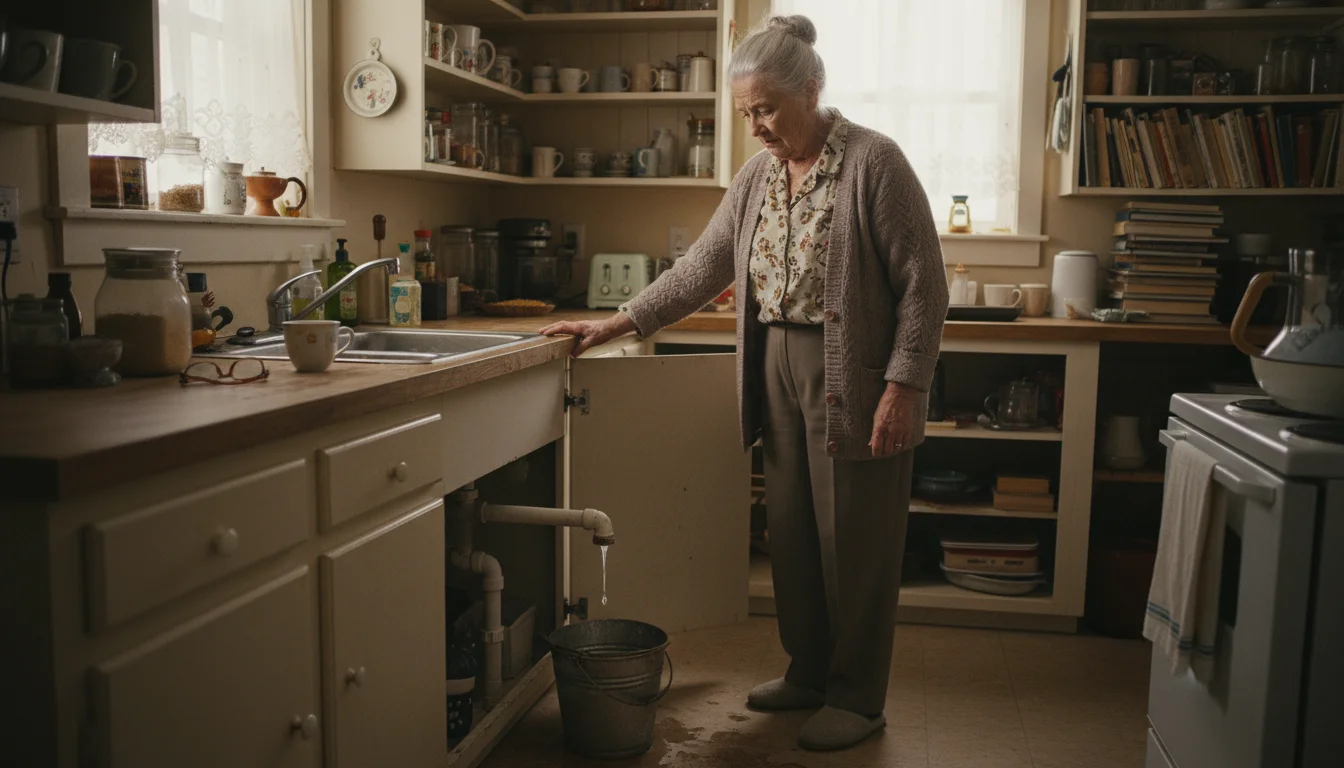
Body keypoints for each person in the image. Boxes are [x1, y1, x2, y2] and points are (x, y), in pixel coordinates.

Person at [541, 13, 948, 752]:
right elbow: (704, 266)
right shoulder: (758, 174)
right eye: (745, 113)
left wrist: (904, 385)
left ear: (812, 90)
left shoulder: (874, 163)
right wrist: (615, 323)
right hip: (775, 369)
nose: (756, 126)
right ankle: (811, 672)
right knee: (790, 532)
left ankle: (859, 697)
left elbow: (926, 285)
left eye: (766, 109)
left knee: (855, 541)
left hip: (851, 372)